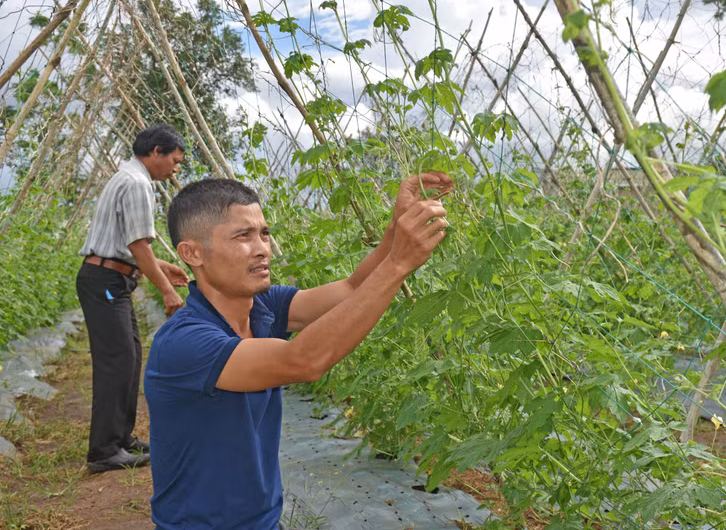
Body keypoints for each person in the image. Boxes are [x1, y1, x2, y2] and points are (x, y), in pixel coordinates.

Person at [143, 172, 451, 529]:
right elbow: (303, 360)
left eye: (264, 233)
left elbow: (352, 289)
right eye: (243, 236)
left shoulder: (262, 306)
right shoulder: (184, 342)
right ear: (192, 253)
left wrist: (396, 231)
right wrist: (399, 263)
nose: (261, 248)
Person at [76, 123, 190, 474]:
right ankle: (104, 450)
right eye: (174, 160)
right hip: (107, 280)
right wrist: (166, 288)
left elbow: (130, 244)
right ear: (155, 151)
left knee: (129, 355)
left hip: (111, 277)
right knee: (118, 358)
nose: (175, 168)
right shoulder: (138, 183)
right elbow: (138, 245)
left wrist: (164, 266)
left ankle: (121, 439)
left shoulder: (127, 177)